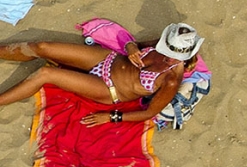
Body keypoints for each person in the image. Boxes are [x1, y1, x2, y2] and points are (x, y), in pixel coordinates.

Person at [0, 23, 204, 126]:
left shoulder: (171, 80)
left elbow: (149, 113)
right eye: (166, 52)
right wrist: (132, 48)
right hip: (107, 59)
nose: (167, 58)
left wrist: (112, 117)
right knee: (41, 47)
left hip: (108, 89)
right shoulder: (163, 43)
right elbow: (135, 44)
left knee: (45, 73)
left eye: (173, 58)